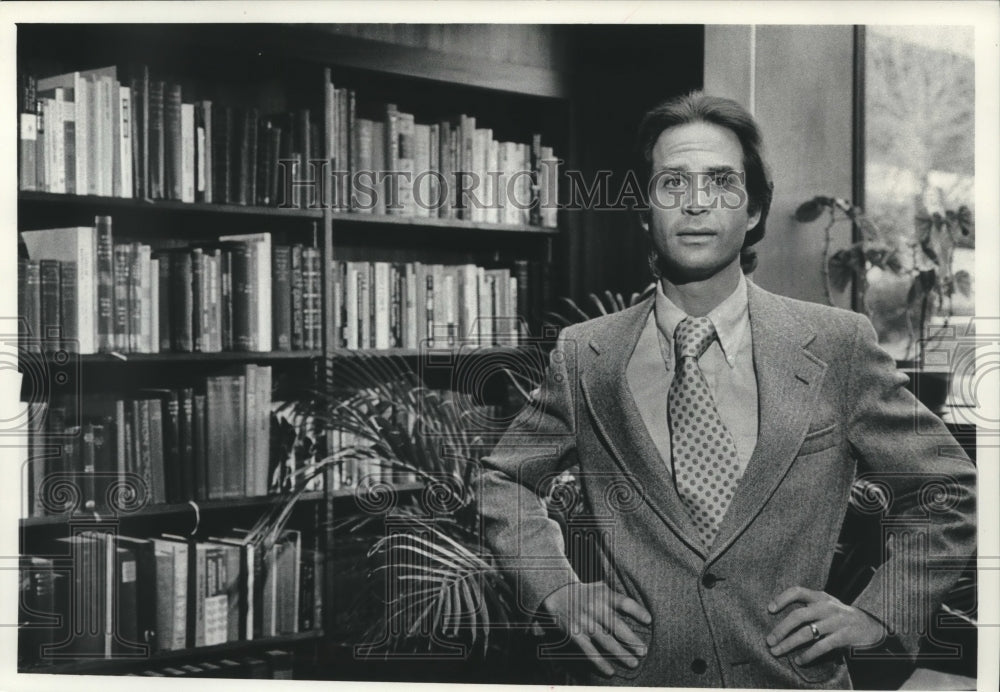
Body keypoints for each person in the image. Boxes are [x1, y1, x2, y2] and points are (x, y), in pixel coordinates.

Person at [476, 91, 977, 688]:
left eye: (721, 181)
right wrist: (555, 588)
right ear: (644, 209)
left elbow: (947, 485)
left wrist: (879, 612)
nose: (696, 202)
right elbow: (504, 477)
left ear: (756, 210)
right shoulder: (586, 353)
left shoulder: (838, 344)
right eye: (672, 183)